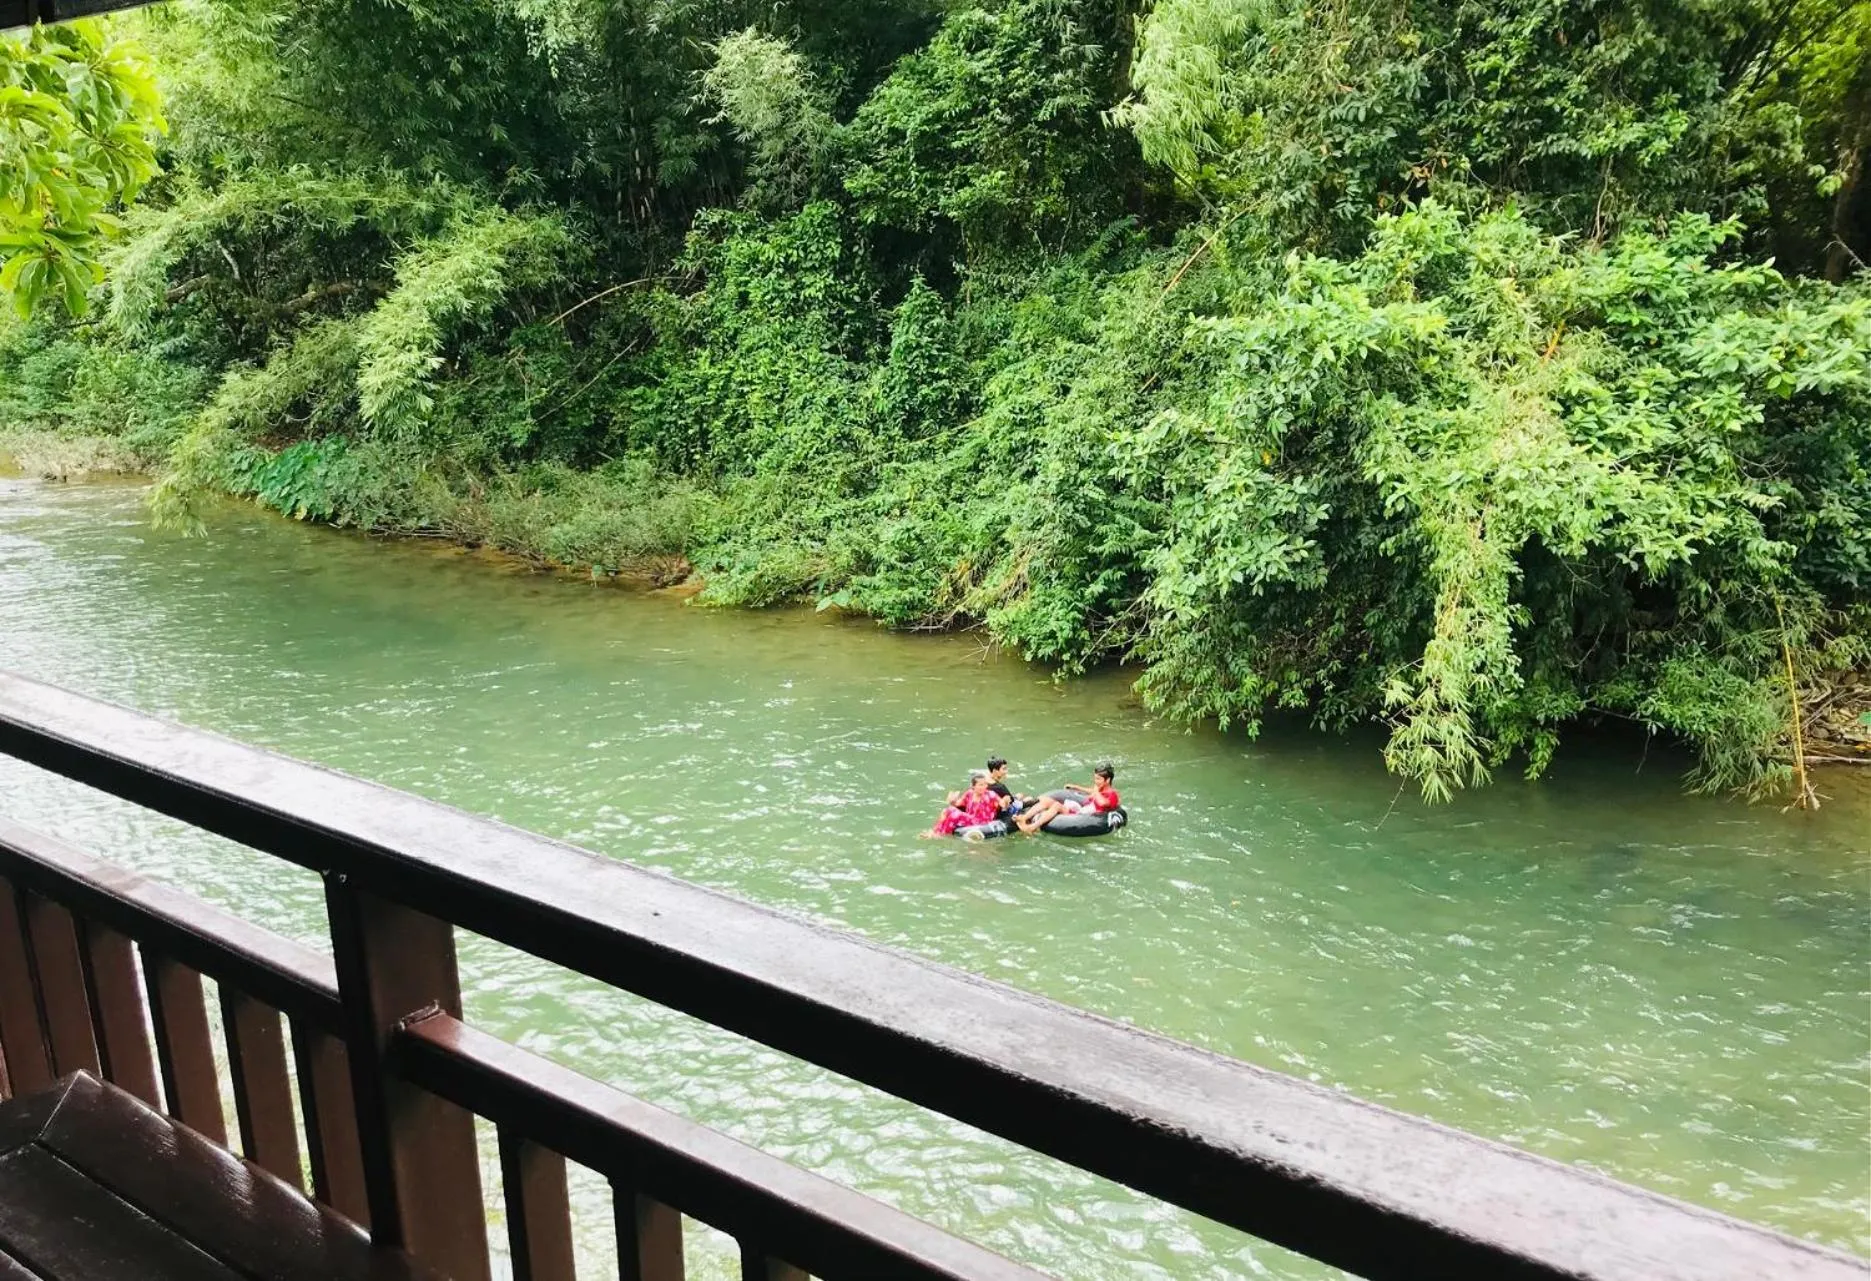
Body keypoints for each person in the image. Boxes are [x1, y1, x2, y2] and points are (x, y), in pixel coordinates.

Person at [1015, 763, 1119, 834]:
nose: (1095, 781)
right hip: (1082, 810)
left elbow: (1103, 803)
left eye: (1098, 779)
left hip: (1086, 817)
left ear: (1108, 780)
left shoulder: (1112, 794)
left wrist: (1096, 790)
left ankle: (1032, 828)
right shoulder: (1100, 789)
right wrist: (1075, 787)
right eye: (1095, 778)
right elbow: (1091, 792)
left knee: (1056, 806)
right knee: (1046, 800)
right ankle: (1024, 818)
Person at [923, 771, 1001, 838]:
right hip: (971, 818)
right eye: (980, 785)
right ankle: (934, 831)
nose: (984, 787)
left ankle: (940, 834)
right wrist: (952, 801)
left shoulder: (991, 795)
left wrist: (1005, 802)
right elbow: (957, 804)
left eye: (985, 784)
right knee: (946, 810)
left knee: (956, 815)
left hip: (982, 822)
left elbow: (1001, 804)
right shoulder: (969, 793)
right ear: (974, 786)